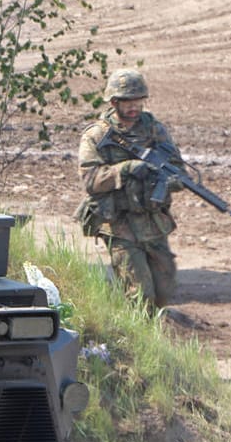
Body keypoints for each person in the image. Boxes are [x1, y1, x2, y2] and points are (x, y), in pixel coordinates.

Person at [77, 69, 185, 309]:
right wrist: (125, 169)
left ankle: (143, 322)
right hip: (118, 221)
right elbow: (91, 180)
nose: (134, 106)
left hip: (152, 220)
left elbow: (179, 171)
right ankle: (138, 334)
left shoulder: (154, 130)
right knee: (140, 293)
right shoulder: (97, 135)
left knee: (165, 288)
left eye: (138, 100)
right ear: (114, 102)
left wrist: (164, 180)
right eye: (127, 101)